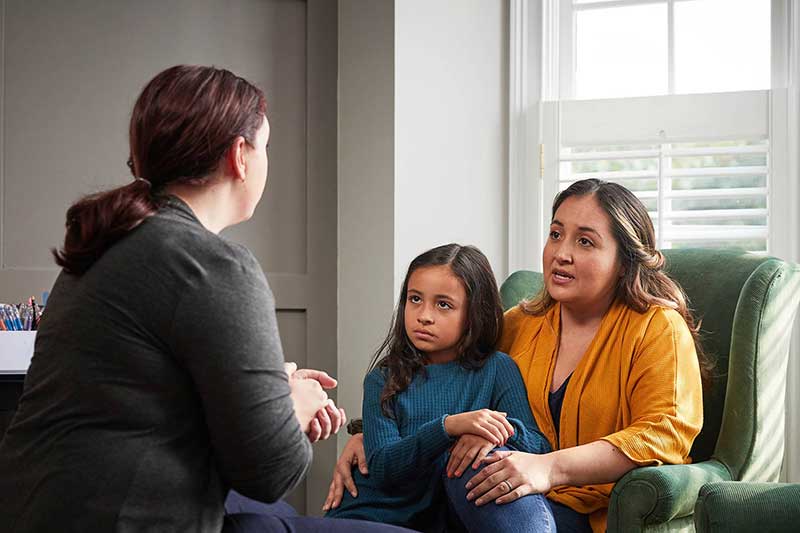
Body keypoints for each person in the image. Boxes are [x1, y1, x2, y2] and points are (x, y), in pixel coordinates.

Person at [0, 65, 407, 533]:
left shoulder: (106, 247)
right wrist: (293, 403)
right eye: (266, 146)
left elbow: (136, 394)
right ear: (240, 155)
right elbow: (270, 472)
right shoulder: (215, 265)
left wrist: (266, 389)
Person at [324, 179, 705, 533]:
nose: (561, 254)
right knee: (473, 453)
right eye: (556, 234)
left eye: (585, 242)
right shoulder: (520, 323)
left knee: (484, 457)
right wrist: (366, 438)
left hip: (590, 511)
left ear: (625, 259)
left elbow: (662, 436)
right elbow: (448, 376)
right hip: (495, 503)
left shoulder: (657, 328)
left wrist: (548, 467)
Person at [325, 244, 551, 532]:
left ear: (473, 313)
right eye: (415, 299)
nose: (424, 316)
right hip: (371, 515)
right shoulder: (383, 378)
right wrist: (449, 427)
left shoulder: (498, 369)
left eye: (443, 304)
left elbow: (538, 445)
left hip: (443, 518)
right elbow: (383, 468)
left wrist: (491, 433)